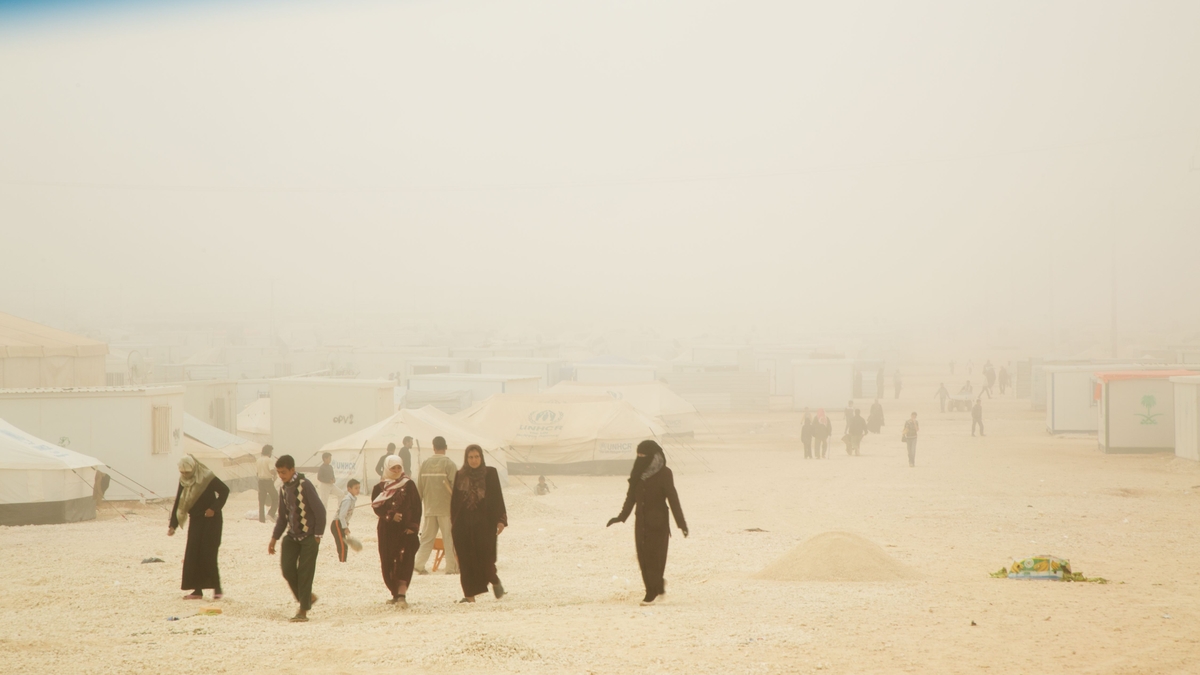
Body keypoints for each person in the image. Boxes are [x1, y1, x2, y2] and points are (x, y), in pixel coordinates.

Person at [606, 440, 687, 606]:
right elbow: (631, 497)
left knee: (655, 557)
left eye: (643, 455)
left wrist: (681, 523)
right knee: (643, 557)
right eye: (638, 455)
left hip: (658, 522)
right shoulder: (638, 471)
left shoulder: (665, 473)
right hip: (641, 522)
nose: (640, 458)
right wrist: (621, 517)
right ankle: (655, 586)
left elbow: (673, 498)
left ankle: (651, 592)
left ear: (653, 455)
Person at [268, 454, 326, 623]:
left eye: (284, 472)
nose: (281, 475)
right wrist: (274, 538)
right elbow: (282, 517)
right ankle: (307, 597)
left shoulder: (304, 485)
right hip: (292, 536)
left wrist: (317, 535)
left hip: (309, 537)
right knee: (287, 570)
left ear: (292, 469)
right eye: (278, 472)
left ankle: (303, 610)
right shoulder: (284, 488)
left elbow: (320, 511)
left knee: (305, 573)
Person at [451, 445, 509, 603]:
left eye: (476, 457)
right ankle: (469, 596)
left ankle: (495, 581)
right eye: (470, 457)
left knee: (485, 558)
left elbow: (497, 497)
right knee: (465, 560)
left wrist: (501, 520)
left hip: (485, 524)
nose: (474, 460)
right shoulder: (460, 475)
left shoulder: (490, 473)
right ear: (466, 458)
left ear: (481, 457)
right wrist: (454, 525)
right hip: (463, 525)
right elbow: (455, 502)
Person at [168, 455, 229, 600]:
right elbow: (179, 501)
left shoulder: (206, 477)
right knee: (193, 553)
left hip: (211, 520)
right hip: (196, 519)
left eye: (187, 473)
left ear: (194, 469)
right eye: (182, 473)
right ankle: (197, 591)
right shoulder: (184, 480)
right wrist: (173, 525)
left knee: (209, 553)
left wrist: (213, 508)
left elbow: (224, 491)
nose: (185, 475)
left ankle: (217, 588)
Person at [372, 456, 422, 607]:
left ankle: (402, 594)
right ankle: (394, 593)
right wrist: (390, 515)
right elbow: (377, 507)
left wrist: (413, 526)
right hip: (387, 531)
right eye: (393, 468)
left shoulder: (409, 485)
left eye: (398, 468)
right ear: (387, 468)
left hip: (406, 531)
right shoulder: (379, 488)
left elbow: (417, 507)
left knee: (404, 560)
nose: (396, 471)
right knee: (388, 561)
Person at [414, 436, 459, 575]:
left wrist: (418, 507)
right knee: (449, 539)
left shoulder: (425, 464)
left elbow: (419, 489)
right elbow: (456, 488)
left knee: (426, 539)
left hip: (429, 509)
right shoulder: (450, 464)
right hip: (446, 509)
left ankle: (418, 565)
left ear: (433, 447)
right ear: (445, 447)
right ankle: (451, 568)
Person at [330, 479, 362, 563]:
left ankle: (343, 561)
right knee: (342, 545)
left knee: (344, 544)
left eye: (359, 488)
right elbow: (341, 516)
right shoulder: (347, 500)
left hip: (341, 523)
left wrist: (346, 525)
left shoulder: (353, 499)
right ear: (349, 489)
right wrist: (345, 527)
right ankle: (342, 563)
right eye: (356, 488)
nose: (358, 490)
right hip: (337, 523)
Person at [256, 445, 278, 523]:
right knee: (275, 497)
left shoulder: (258, 460)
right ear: (269, 452)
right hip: (268, 481)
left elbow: (257, 472)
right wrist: (275, 474)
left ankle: (261, 519)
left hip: (260, 481)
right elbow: (271, 470)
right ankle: (271, 513)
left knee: (261, 500)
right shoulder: (269, 460)